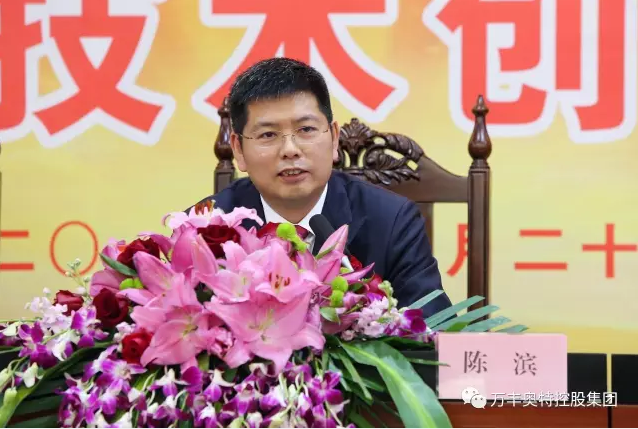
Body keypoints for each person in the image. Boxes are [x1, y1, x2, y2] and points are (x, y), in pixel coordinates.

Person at [191, 57, 452, 316]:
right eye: (268, 134)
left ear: (334, 138)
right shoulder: (205, 229)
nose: (290, 150)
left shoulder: (393, 220)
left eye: (306, 129)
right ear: (238, 149)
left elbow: (433, 326)